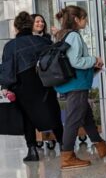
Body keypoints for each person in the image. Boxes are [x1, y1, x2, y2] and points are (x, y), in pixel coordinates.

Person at [51, 6, 106, 170]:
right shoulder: (73, 36)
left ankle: (101, 146)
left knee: (86, 116)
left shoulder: (63, 35)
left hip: (72, 83)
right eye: (84, 18)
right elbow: (76, 61)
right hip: (77, 84)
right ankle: (67, 157)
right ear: (76, 19)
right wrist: (94, 60)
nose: (86, 21)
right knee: (73, 120)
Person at [1, 12, 64, 162]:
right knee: (53, 112)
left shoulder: (10, 46)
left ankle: (32, 150)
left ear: (16, 27)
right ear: (31, 26)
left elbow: (8, 69)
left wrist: (5, 85)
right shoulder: (42, 41)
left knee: (27, 117)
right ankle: (64, 146)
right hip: (44, 84)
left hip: (23, 86)